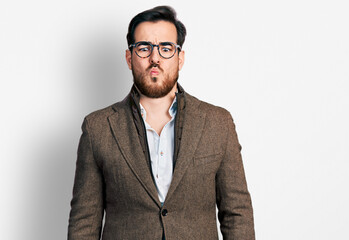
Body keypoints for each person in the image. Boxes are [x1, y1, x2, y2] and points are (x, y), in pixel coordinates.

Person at [68, 5, 255, 240]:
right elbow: (84, 223)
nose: (155, 58)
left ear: (180, 58)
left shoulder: (218, 123)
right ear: (129, 57)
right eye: (144, 48)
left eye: (166, 48)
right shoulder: (98, 128)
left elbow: (237, 214)